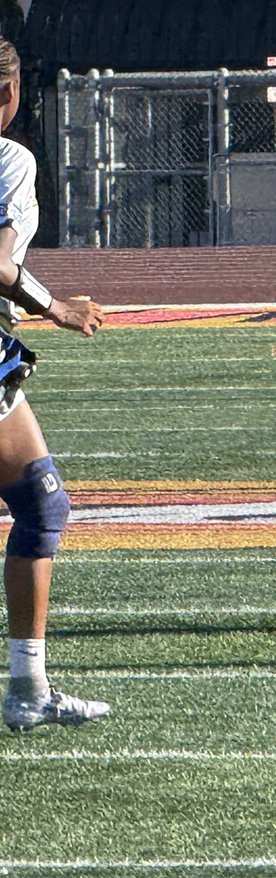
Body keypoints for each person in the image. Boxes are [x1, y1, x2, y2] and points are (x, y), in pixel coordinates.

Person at [0, 39, 109, 730]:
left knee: (42, 502)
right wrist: (55, 307)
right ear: (8, 94)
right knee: (42, 508)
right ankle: (26, 690)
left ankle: (29, 687)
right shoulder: (10, 157)